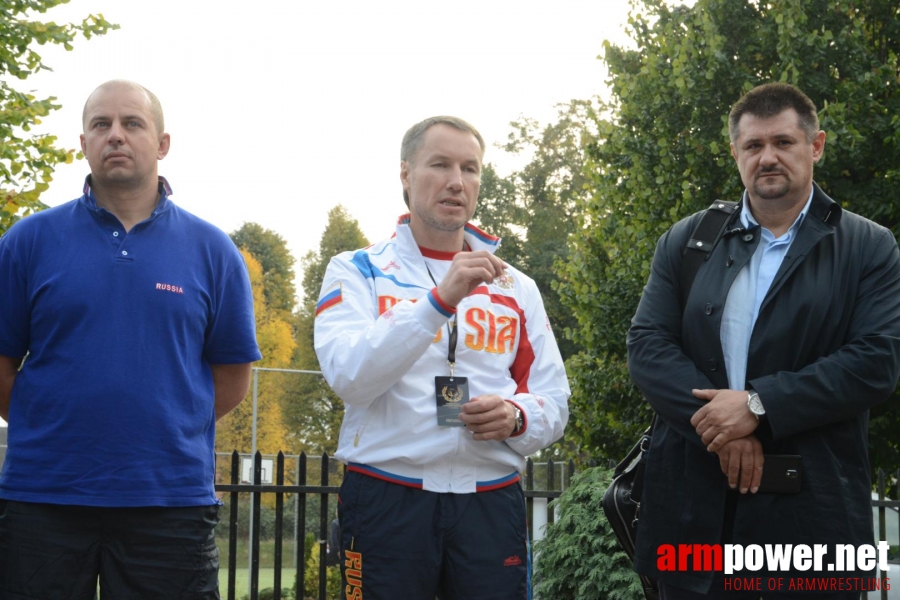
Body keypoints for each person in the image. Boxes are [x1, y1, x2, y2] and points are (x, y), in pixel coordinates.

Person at [627, 82, 900, 598]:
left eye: (783, 143)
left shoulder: (870, 245)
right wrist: (724, 429)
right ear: (736, 153)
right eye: (753, 146)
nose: (767, 157)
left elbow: (875, 361)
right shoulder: (688, 240)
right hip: (692, 515)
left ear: (815, 146)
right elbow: (647, 345)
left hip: (812, 521)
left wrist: (758, 405)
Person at [0, 80, 261, 599]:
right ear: (83, 143)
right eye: (101, 125)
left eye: (131, 124)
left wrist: (167, 426)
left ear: (162, 144)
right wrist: (46, 419)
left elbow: (232, 378)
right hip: (43, 497)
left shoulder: (213, 251)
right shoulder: (28, 241)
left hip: (170, 501)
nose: (115, 136)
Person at [314, 116, 570, 599]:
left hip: (489, 501)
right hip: (387, 494)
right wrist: (438, 302)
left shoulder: (515, 286)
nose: (457, 181)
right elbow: (349, 377)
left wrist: (516, 416)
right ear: (406, 175)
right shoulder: (358, 270)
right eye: (441, 164)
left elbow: (554, 401)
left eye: (470, 169)